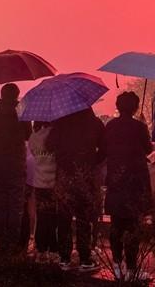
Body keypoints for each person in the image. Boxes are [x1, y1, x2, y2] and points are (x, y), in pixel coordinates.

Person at [46, 107, 106, 271]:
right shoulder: (95, 122)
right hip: (85, 176)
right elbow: (105, 148)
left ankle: (64, 258)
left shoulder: (60, 123)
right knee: (84, 218)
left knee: (63, 218)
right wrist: (92, 161)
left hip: (65, 176)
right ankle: (85, 258)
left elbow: (49, 145)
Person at [102, 92, 153, 279]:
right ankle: (132, 267)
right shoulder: (139, 127)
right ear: (135, 107)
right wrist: (144, 126)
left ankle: (116, 263)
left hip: (116, 179)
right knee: (133, 224)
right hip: (135, 181)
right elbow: (148, 148)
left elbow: (105, 148)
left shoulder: (110, 126)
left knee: (116, 224)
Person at [0, 83, 31, 254]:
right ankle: (13, 241)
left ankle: (0, 240)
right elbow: (29, 136)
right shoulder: (22, 114)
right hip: (17, 166)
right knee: (15, 206)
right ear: (16, 95)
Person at [29, 120, 58, 262]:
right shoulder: (58, 136)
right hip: (55, 183)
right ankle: (53, 249)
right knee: (53, 217)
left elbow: (34, 155)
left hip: (39, 182)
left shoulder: (34, 137)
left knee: (42, 216)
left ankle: (40, 249)